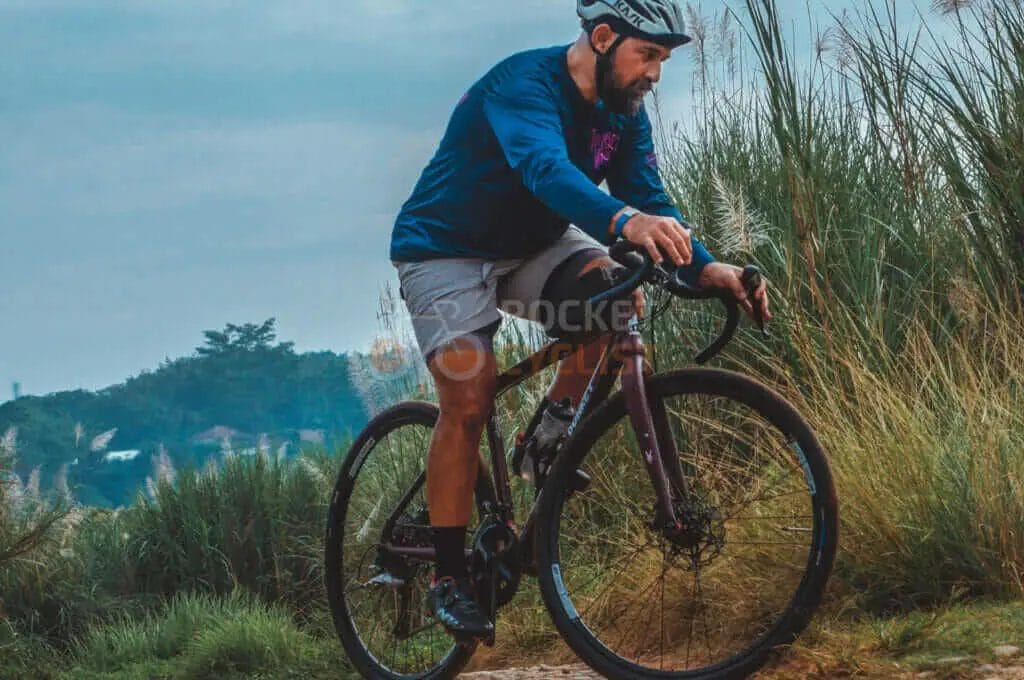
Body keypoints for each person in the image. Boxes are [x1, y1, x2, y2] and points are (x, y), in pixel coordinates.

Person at [389, 0, 772, 639]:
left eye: (663, 60)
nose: (655, 73)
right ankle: (449, 576)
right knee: (469, 392)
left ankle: (546, 439)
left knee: (616, 297)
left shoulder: (625, 115)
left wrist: (710, 270)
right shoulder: (522, 85)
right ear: (601, 38)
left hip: (535, 246)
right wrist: (623, 223)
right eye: (647, 55)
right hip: (444, 249)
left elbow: (648, 198)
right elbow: (547, 172)